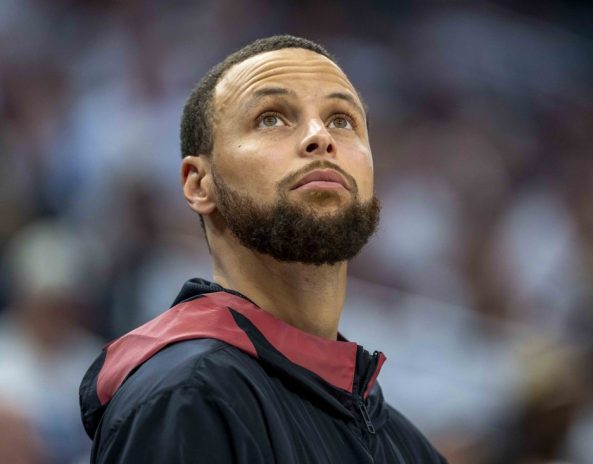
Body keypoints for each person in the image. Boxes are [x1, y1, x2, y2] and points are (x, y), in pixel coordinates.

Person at [79, 35, 447, 463]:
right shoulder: (187, 398)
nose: (320, 137)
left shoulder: (408, 445)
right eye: (271, 118)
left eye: (342, 120)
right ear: (199, 184)